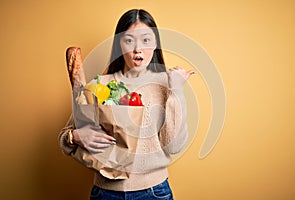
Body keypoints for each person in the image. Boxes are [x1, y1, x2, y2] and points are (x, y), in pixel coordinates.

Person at [59, 9, 195, 200]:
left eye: (146, 40)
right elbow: (64, 139)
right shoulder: (99, 85)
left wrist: (176, 90)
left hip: (154, 193)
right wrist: (75, 136)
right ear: (119, 44)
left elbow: (174, 146)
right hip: (105, 193)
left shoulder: (168, 83)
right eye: (129, 40)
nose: (138, 49)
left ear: (155, 43)